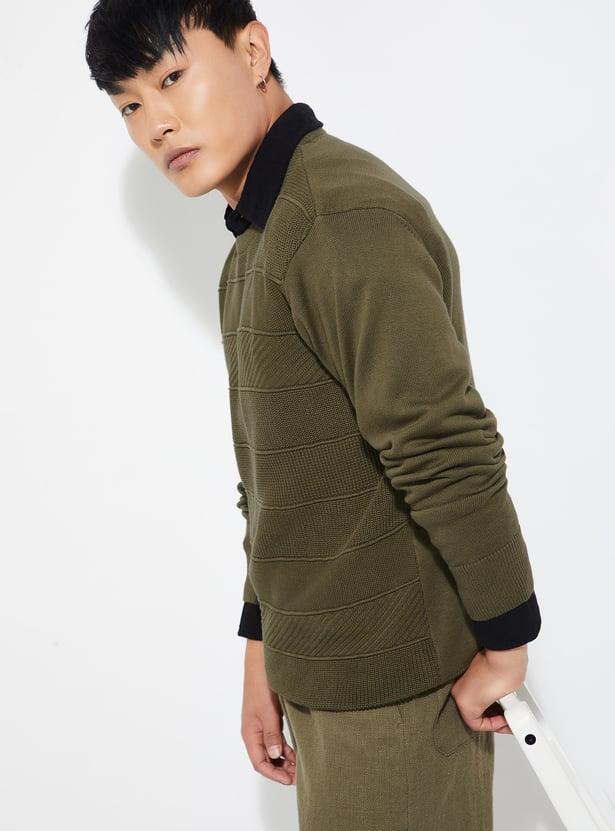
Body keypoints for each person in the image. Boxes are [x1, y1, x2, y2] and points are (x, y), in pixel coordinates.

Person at [85, 3, 542, 829]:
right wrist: (263, 648)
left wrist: (508, 638)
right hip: (327, 679)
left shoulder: (339, 216)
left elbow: (441, 443)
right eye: (129, 105)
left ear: (252, 50)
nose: (156, 123)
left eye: (173, 77)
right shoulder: (256, 248)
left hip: (396, 689)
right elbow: (276, 481)